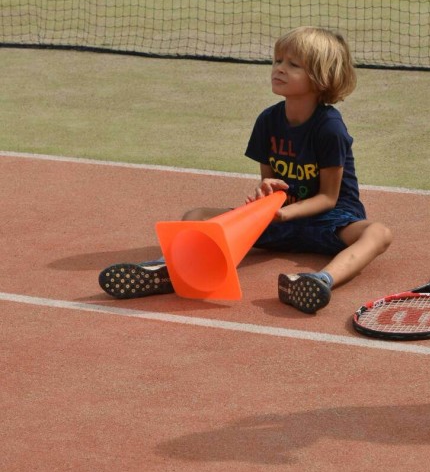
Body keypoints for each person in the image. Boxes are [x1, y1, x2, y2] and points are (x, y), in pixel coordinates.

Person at [98, 27, 392, 314]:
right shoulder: (268, 120)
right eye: (277, 60)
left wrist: (285, 213)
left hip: (330, 221)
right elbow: (270, 183)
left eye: (293, 65)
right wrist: (268, 196)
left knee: (379, 233)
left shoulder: (330, 127)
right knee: (196, 217)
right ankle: (166, 270)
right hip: (278, 219)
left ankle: (319, 280)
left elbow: (328, 197)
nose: (279, 69)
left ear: (320, 77)